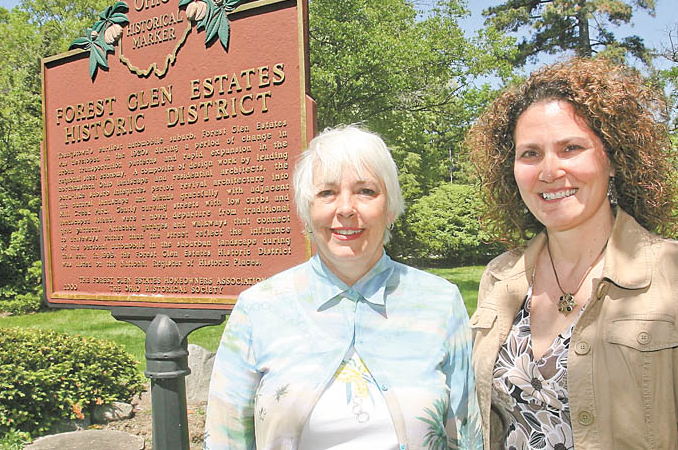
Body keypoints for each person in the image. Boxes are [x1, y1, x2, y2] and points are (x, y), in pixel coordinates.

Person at [466, 57, 678, 449]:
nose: (549, 171)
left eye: (571, 148)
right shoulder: (501, 276)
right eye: (530, 154)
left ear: (614, 159)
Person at [205, 125, 482, 449]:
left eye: (366, 191)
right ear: (307, 211)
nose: (346, 208)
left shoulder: (441, 303)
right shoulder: (257, 309)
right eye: (327, 193)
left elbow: (466, 437)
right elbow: (226, 441)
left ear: (390, 207)